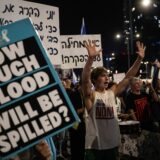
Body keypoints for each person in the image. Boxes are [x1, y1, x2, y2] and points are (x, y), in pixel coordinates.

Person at [81, 40, 146, 160]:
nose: (107, 78)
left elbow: (129, 77)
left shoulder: (112, 92)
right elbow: (85, 80)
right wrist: (90, 60)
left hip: (112, 144)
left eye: (107, 75)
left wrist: (139, 60)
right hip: (95, 147)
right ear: (95, 80)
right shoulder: (91, 95)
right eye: (103, 76)